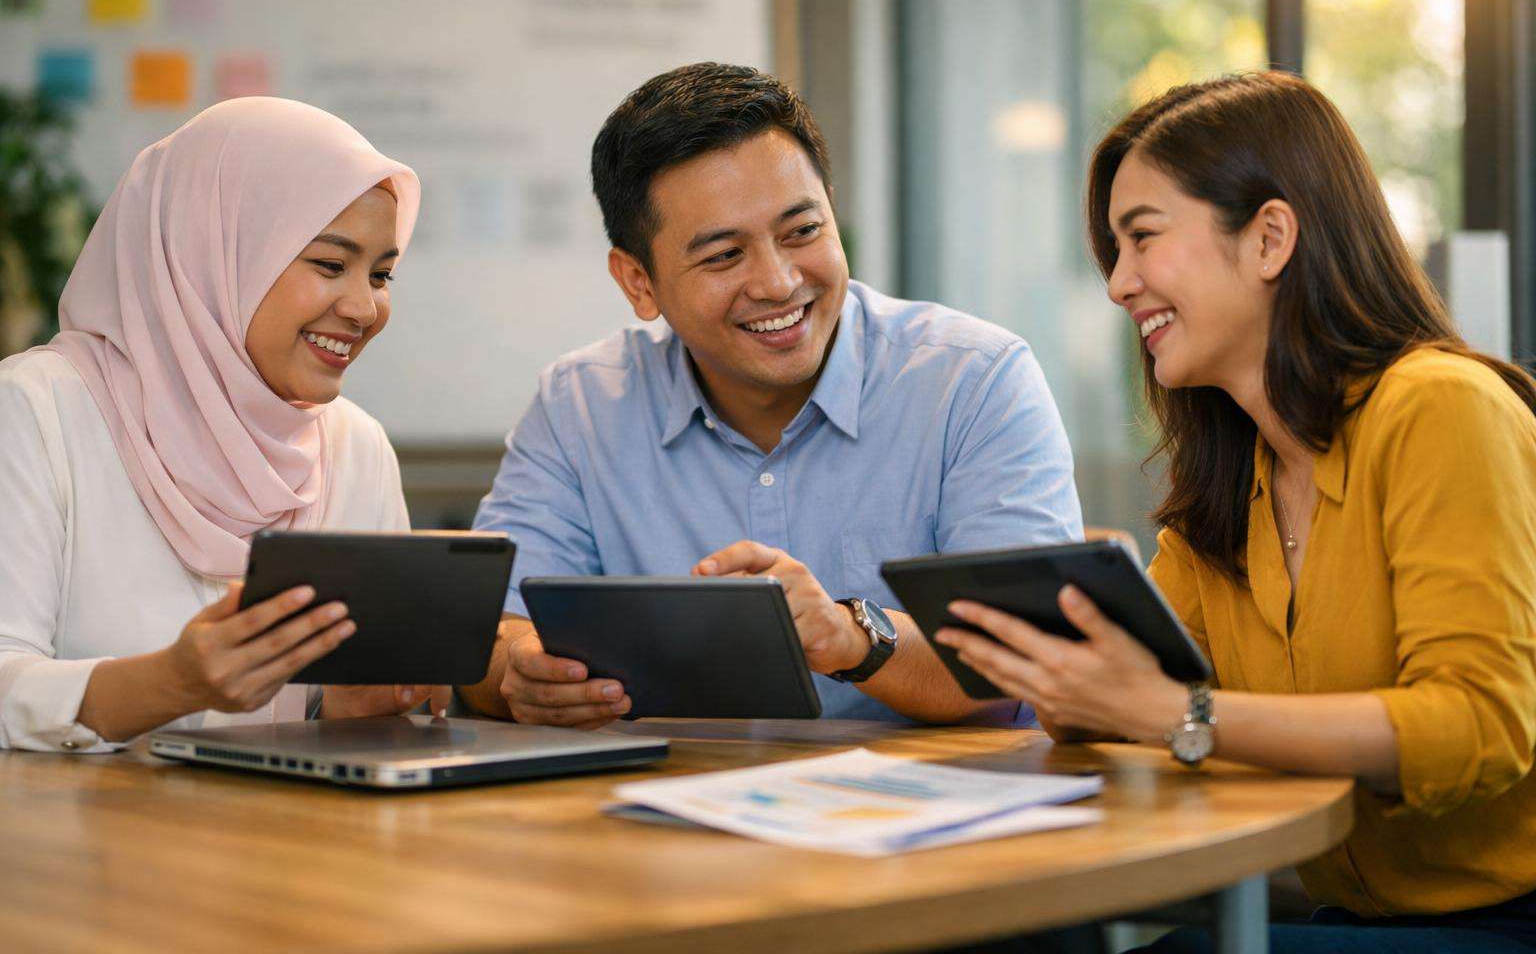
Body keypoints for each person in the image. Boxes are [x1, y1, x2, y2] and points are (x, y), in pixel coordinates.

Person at [937, 72, 1536, 952]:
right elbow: (1129, 703)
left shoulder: (1440, 406)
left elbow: (1479, 725)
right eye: (1115, 251)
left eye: (1142, 238)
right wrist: (1079, 673)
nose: (1118, 285)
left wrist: (1173, 713)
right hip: (1358, 916)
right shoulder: (1233, 475)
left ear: (1269, 238)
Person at [462, 62, 1083, 728]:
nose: (780, 282)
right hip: (672, 810)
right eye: (725, 255)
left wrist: (849, 637)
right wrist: (521, 672)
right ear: (638, 282)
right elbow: (487, 644)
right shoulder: (579, 406)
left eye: (802, 231)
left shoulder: (974, 380)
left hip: (948, 817)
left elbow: (1036, 667)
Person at [0, 97, 448, 752]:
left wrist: (362, 705)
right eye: (330, 264)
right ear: (211, 251)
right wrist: (173, 683)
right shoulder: (35, 412)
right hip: (83, 845)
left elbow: (336, 715)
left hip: (284, 843)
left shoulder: (355, 447)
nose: (363, 307)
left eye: (381, 275)